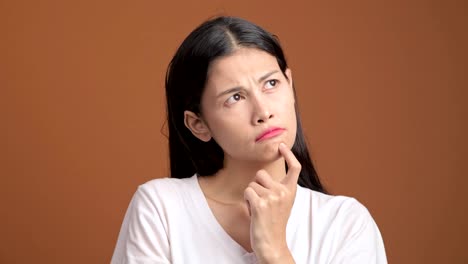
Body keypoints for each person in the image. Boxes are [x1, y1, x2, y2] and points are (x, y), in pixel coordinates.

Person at [111, 16, 387, 264]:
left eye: (271, 84)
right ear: (198, 125)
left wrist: (275, 252)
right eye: (235, 97)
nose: (263, 112)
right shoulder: (160, 210)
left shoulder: (346, 223)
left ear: (289, 85)